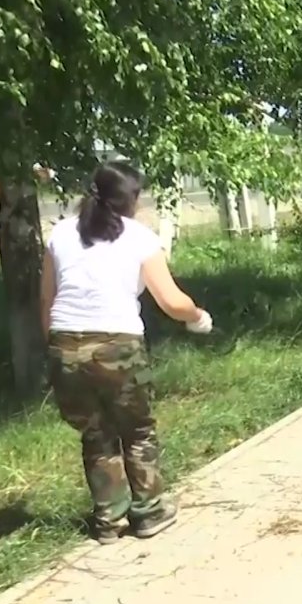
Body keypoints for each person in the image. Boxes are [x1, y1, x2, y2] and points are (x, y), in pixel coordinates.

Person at [39, 161, 213, 544]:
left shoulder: (61, 234)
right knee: (136, 430)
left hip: (65, 344)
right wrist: (197, 317)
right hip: (118, 345)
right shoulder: (138, 237)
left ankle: (108, 521)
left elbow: (48, 303)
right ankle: (149, 512)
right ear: (131, 199)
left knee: (95, 432)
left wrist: (54, 351)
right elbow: (170, 300)